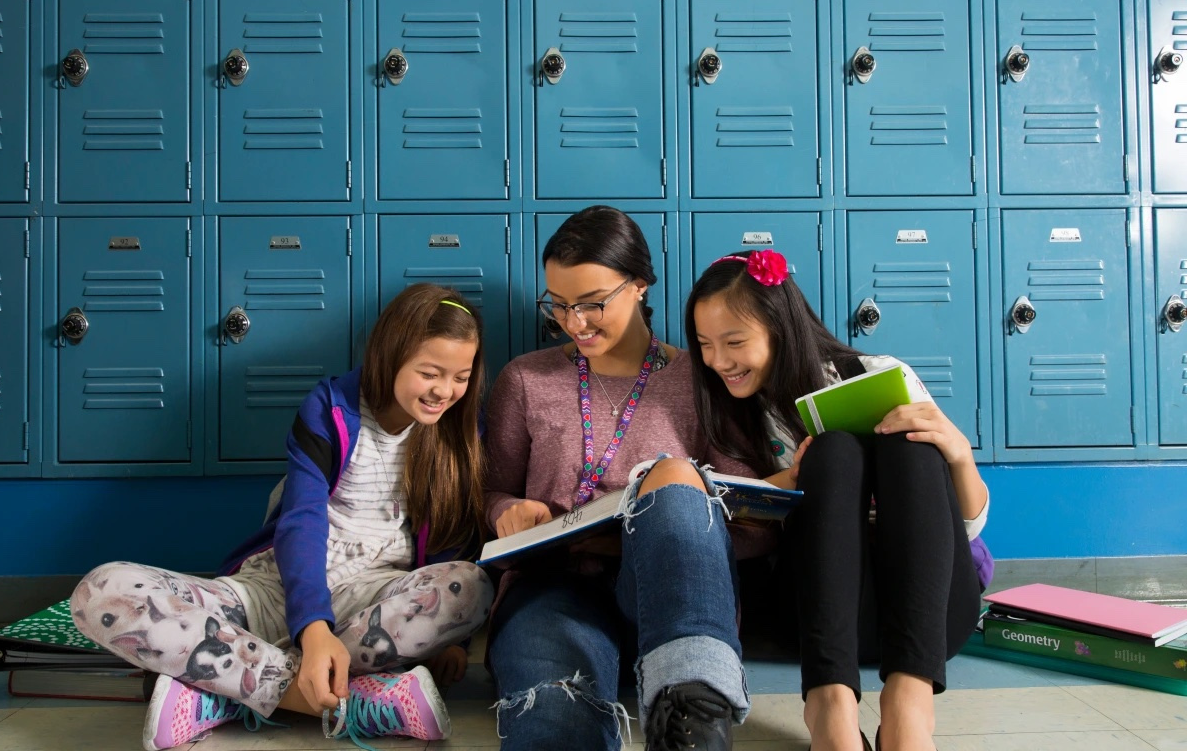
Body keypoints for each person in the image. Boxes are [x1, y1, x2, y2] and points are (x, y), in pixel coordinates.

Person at [69, 284, 496, 751]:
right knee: (101, 590)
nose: (445, 391)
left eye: (460, 376)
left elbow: (453, 534)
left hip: (370, 597)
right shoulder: (330, 407)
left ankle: (224, 688)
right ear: (390, 355)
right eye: (430, 373)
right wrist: (312, 628)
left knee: (471, 588)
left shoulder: (460, 430)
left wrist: (451, 641)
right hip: (273, 589)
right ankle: (328, 696)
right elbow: (301, 519)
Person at [484, 205, 777, 751]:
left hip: (672, 590)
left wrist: (665, 516)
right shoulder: (525, 380)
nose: (576, 322)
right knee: (553, 713)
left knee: (672, 482)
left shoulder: (704, 377)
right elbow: (492, 490)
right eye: (560, 305)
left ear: (640, 285)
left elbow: (754, 519)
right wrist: (507, 512)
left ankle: (694, 710)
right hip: (553, 586)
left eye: (593, 303)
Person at [682, 249, 994, 751]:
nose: (718, 361)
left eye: (734, 342)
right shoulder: (725, 415)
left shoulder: (880, 372)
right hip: (818, 617)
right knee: (832, 453)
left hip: (926, 617)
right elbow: (718, 514)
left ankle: (908, 710)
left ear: (780, 328)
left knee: (910, 443)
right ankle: (829, 710)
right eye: (704, 345)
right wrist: (792, 479)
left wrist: (958, 454)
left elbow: (970, 531)